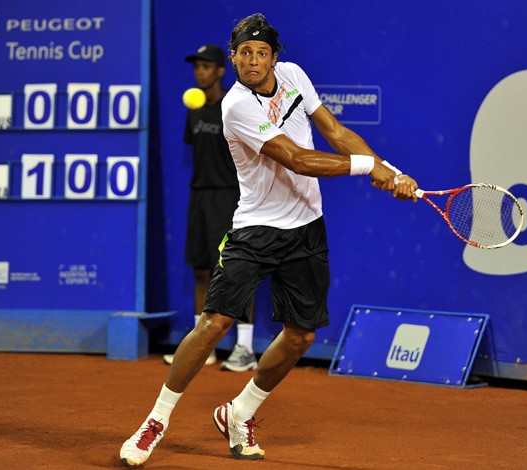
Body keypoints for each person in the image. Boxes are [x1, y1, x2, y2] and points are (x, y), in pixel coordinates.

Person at [120, 13, 418, 467]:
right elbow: (296, 159)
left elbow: (335, 133)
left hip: (306, 228)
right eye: (245, 54)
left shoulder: (295, 76)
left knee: (300, 336)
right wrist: (367, 168)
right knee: (213, 324)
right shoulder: (236, 106)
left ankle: (240, 412)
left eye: (262, 53)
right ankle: (155, 421)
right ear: (234, 59)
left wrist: (391, 171)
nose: (253, 61)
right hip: (255, 229)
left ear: (275, 58)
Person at [162, 44, 258, 372]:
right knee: (201, 270)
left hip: (232, 197)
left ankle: (244, 348)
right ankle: (201, 348)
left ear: (220, 70)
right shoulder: (194, 108)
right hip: (199, 196)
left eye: (206, 66)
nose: (199, 72)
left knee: (235, 272)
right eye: (196, 67)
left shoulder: (235, 106)